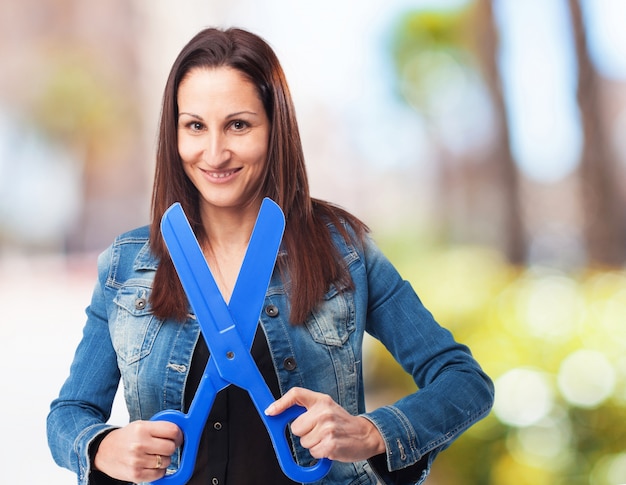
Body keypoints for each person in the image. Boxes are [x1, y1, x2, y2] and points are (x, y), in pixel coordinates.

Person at [47, 27, 494, 485]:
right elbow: (69, 414)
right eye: (195, 126)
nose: (215, 153)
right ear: (174, 133)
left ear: (274, 129)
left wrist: (370, 433)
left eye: (238, 125)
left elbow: (464, 381)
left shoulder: (344, 252)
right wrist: (102, 447)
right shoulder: (127, 266)